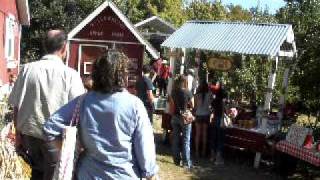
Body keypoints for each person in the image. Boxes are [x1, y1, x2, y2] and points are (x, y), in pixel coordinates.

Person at [44, 50, 159, 180]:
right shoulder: (134, 105)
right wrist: (150, 173)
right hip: (124, 174)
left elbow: (50, 127)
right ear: (123, 75)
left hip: (87, 174)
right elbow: (145, 148)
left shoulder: (83, 101)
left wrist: (72, 149)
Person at [9, 29, 85, 180]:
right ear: (64, 48)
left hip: (29, 138)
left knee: (32, 174)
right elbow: (79, 110)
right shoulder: (70, 75)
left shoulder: (27, 70)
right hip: (55, 140)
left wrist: (17, 134)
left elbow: (16, 105)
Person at [169, 75, 194, 170]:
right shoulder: (187, 92)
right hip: (185, 117)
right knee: (186, 140)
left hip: (175, 117)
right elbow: (193, 104)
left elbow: (172, 105)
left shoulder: (173, 91)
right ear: (185, 82)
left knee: (175, 139)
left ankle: (176, 160)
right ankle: (186, 162)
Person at [209, 80, 227, 165]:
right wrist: (223, 117)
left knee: (214, 137)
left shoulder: (216, 97)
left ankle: (212, 157)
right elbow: (223, 106)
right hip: (220, 118)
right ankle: (218, 159)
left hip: (215, 117)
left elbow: (212, 106)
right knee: (220, 139)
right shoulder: (223, 95)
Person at [194, 81, 212, 158]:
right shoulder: (210, 94)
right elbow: (211, 104)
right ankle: (204, 152)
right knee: (204, 134)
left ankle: (197, 152)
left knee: (198, 134)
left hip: (198, 114)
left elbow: (195, 107)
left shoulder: (197, 95)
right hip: (206, 115)